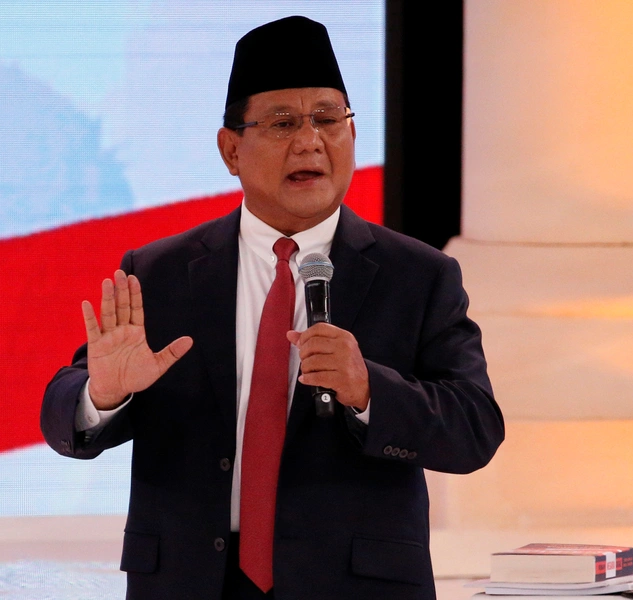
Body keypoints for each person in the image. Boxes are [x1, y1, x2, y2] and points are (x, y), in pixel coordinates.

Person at [41, 15, 504, 600]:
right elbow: (63, 419)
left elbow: (475, 429)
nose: (310, 141)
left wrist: (369, 391)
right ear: (230, 149)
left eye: (329, 120)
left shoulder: (419, 275)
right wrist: (103, 395)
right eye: (283, 123)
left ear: (352, 137)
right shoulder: (160, 274)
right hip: (189, 583)